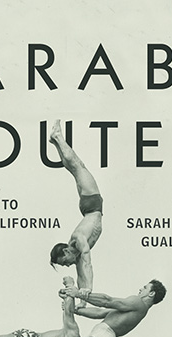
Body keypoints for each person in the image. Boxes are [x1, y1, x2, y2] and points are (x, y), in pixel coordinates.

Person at [49, 119, 103, 295]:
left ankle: (58, 138)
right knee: (74, 168)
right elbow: (81, 276)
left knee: (77, 166)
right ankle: (55, 141)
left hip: (92, 203)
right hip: (89, 207)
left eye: (65, 261)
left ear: (66, 250)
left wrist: (89, 289)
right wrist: (83, 297)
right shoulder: (77, 253)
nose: (68, 264)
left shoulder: (78, 239)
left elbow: (88, 262)